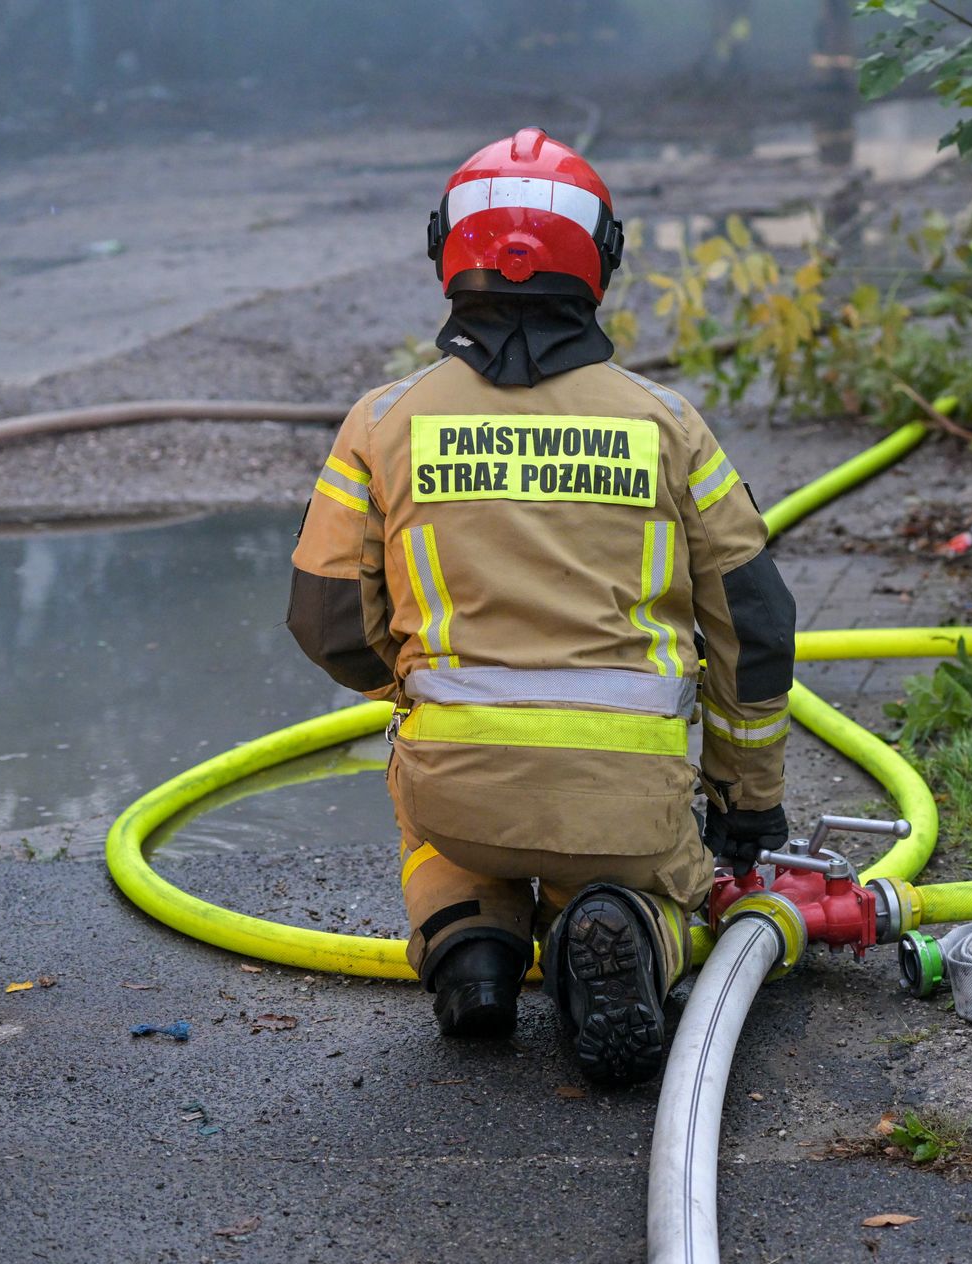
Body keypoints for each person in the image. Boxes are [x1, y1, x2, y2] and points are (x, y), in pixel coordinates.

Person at [285, 127, 794, 1086]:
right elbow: (756, 631)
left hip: (456, 792)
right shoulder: (667, 424)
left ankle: (469, 952)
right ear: (600, 263)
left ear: (447, 254)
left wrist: (413, 690)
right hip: (626, 802)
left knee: (443, 823)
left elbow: (322, 619)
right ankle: (633, 936)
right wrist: (745, 801)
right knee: (672, 894)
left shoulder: (382, 421)